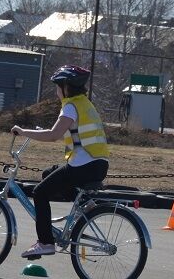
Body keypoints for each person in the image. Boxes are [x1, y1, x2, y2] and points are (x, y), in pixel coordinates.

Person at [11, 65, 110, 258]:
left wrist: (23, 132)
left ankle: (45, 242)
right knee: (49, 174)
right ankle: (85, 204)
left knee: (39, 192)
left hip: (83, 167)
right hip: (98, 165)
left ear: (66, 87)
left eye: (58, 87)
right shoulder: (85, 104)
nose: (56, 91)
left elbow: (53, 135)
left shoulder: (70, 106)